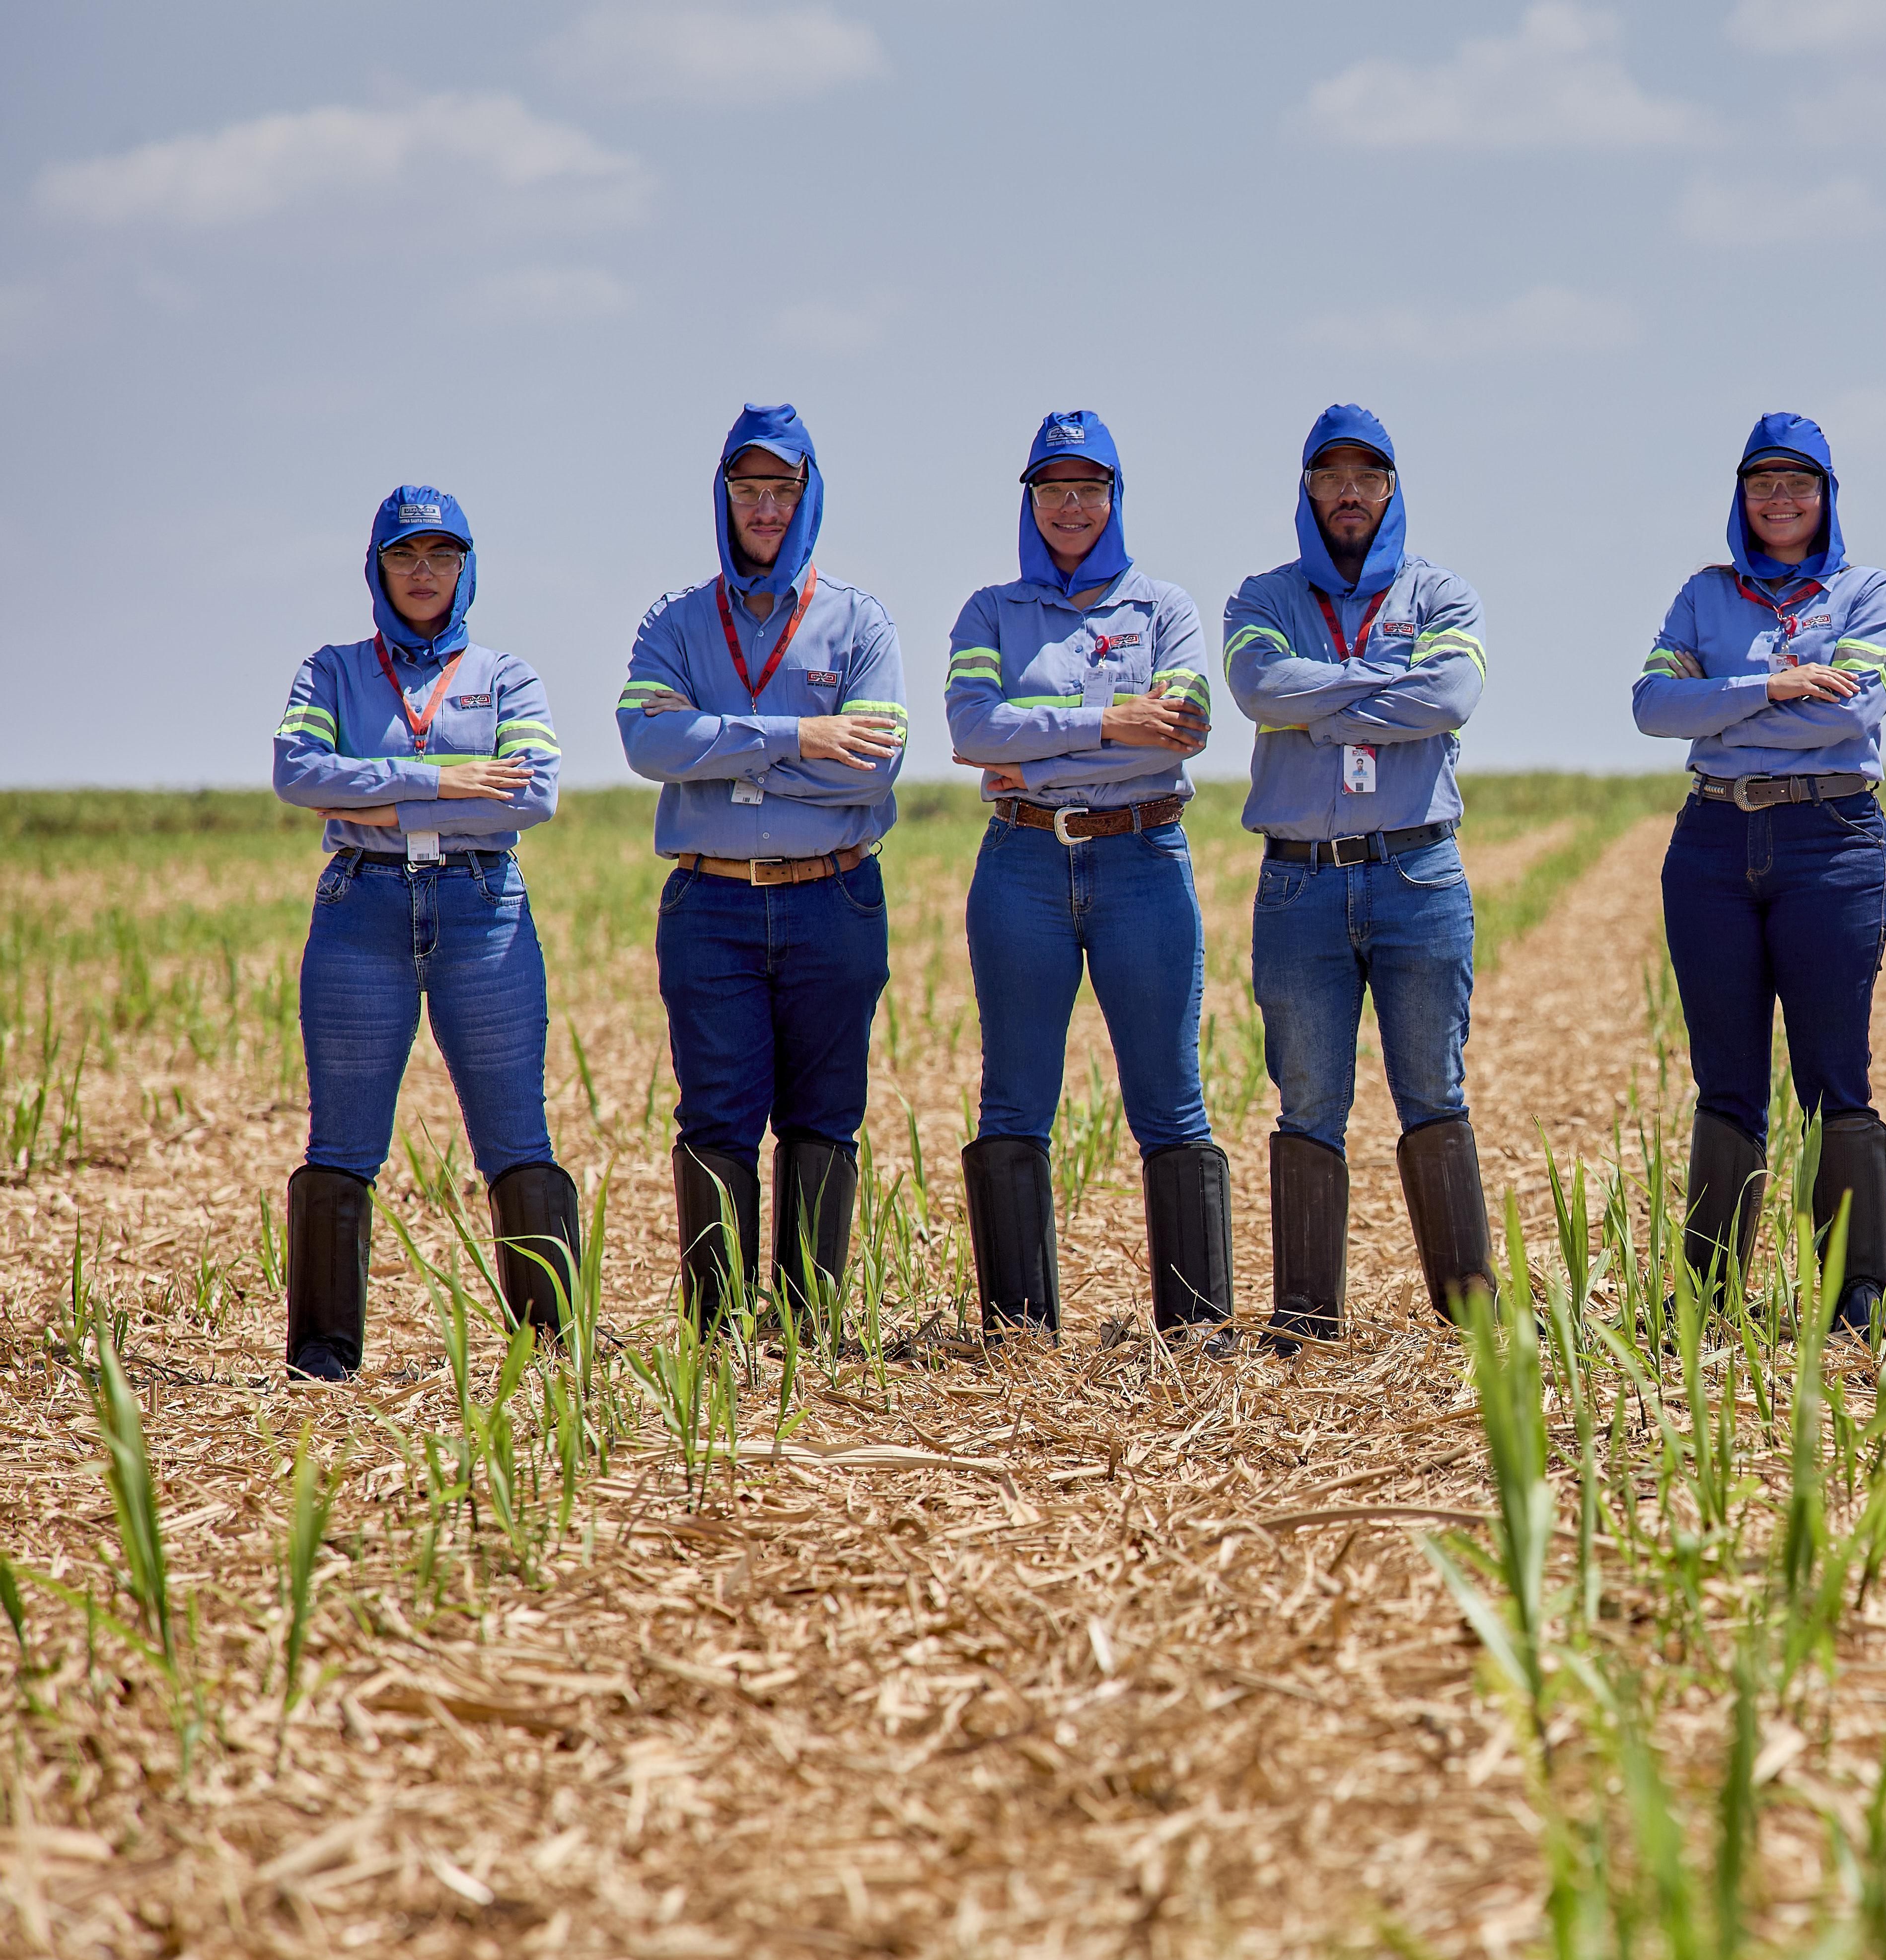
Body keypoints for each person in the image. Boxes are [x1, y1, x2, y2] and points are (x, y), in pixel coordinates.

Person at [269, 485, 575, 1379]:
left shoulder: (507, 676)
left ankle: (550, 1348)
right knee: (342, 1141)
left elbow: (534, 793)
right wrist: (445, 781)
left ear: (467, 569)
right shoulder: (330, 671)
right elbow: (296, 772)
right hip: (359, 905)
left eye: (442, 556)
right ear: (377, 568)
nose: (424, 573)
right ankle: (323, 1359)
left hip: (484, 906)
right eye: (404, 556)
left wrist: (366, 786)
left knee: (516, 1132)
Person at [617, 404, 904, 1332]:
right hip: (711, 906)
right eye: (750, 490)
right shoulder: (676, 621)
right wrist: (800, 738)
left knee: (826, 1117)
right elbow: (647, 740)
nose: (766, 508)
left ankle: (809, 1329)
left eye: (784, 490)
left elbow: (878, 764)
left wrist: (724, 751)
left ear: (808, 498)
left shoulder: (862, 623)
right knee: (716, 1120)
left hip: (835, 899)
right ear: (724, 498)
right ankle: (720, 1330)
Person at [945, 410, 1230, 1343]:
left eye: (1090, 488)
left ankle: (1193, 1333)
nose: (1072, 506)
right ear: (1030, 502)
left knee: (1169, 1095)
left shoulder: (1167, 611)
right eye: (1054, 489)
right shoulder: (990, 612)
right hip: (1021, 865)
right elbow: (973, 731)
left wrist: (1043, 738)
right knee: (1013, 1095)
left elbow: (1184, 726)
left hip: (1143, 860)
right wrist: (1111, 726)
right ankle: (1020, 1337)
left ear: (1114, 499)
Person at [1632, 414, 1886, 1334]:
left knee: (1836, 1075)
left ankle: (1858, 1292)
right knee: (1726, 1081)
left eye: (1798, 484)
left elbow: (1854, 711)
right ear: (1740, 499)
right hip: (1712, 845)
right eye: (1762, 484)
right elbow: (1650, 705)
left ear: (1827, 497)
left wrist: (1717, 712)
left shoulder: (1868, 593)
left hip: (1829, 841)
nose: (1780, 500)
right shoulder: (1703, 595)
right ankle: (1709, 1296)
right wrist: (1774, 688)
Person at [1224, 405, 1492, 1346]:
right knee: (1308, 1098)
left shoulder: (1445, 595)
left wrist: (1322, 705)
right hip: (1300, 886)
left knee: (1434, 1089)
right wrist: (1381, 692)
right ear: (1306, 491)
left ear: (1391, 490)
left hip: (1418, 876)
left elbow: (1452, 696)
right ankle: (1304, 1321)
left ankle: (1467, 1314)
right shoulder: (1259, 599)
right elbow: (1259, 691)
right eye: (1331, 477)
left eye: (1367, 478)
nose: (1349, 493)